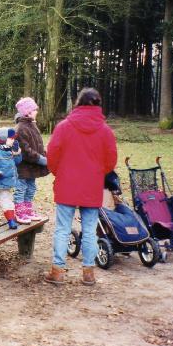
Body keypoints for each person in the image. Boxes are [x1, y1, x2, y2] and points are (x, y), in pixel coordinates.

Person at [45, 88, 117, 286]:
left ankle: (57, 271)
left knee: (62, 229)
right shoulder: (105, 130)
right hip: (91, 186)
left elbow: (52, 155)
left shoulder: (63, 127)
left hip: (67, 184)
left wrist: (60, 173)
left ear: (78, 102)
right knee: (90, 230)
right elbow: (111, 160)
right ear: (98, 104)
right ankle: (88, 273)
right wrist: (97, 173)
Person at [13, 97, 49, 223]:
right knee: (21, 189)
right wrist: (41, 159)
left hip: (32, 167)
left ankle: (27, 210)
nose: (36, 112)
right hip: (22, 167)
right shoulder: (21, 128)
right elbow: (25, 151)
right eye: (34, 110)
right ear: (27, 112)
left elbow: (37, 145)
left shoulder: (32, 125)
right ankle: (19, 212)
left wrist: (44, 155)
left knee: (31, 188)